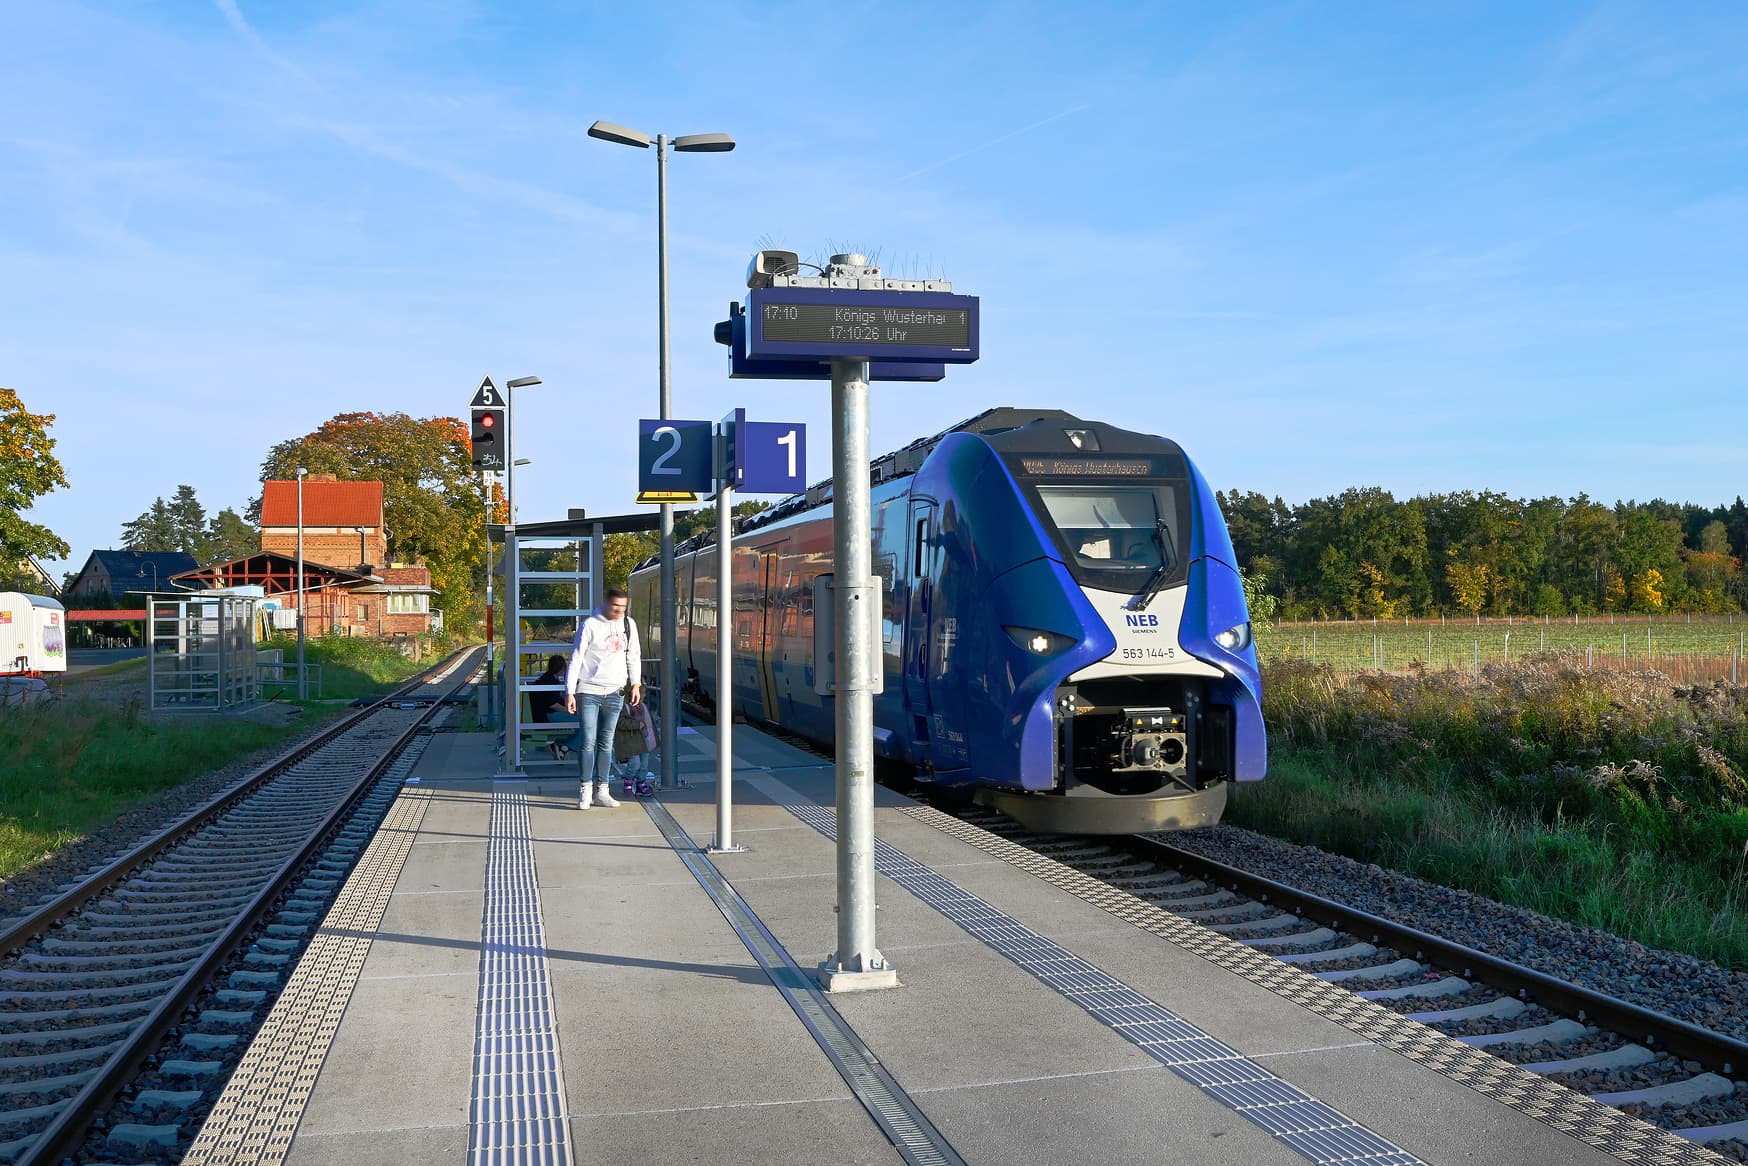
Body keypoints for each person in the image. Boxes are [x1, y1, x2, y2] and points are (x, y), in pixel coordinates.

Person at [564, 587, 642, 809]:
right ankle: (585, 789)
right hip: (589, 690)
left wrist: (635, 683)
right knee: (588, 741)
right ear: (606, 603)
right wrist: (570, 691)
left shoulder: (629, 625)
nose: (619, 611)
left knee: (606, 743)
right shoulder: (590, 625)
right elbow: (576, 658)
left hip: (615, 690)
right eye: (615, 607)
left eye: (622, 608)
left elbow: (633, 656)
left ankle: (603, 790)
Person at [528, 654, 574, 762]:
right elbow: (554, 705)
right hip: (547, 716)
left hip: (541, 715)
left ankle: (561, 745)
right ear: (561, 668)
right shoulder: (550, 682)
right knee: (583, 722)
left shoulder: (546, 678)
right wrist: (571, 711)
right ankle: (565, 747)